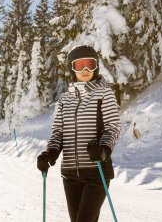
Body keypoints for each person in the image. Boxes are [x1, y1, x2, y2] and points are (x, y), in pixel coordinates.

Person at [37, 45, 121, 222]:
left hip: (97, 170)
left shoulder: (104, 93)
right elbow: (59, 131)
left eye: (89, 64)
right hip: (70, 173)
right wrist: (50, 153)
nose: (85, 70)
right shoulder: (65, 99)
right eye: (79, 65)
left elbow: (113, 126)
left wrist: (103, 149)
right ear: (71, 68)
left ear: (96, 67)